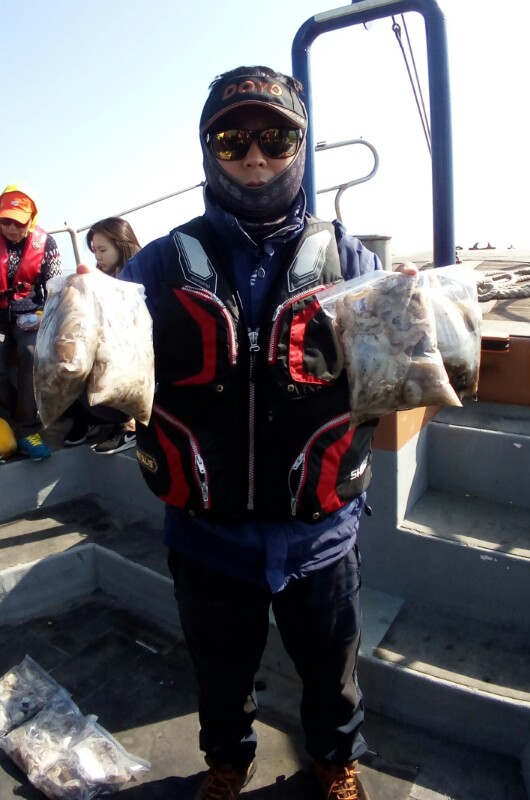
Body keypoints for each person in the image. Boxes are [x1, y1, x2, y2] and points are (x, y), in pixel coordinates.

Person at [121, 66, 414, 800]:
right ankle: (228, 761)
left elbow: (396, 381)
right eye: (232, 140)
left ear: (301, 147)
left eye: (277, 138)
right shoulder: (155, 264)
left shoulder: (354, 260)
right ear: (208, 151)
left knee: (331, 670)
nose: (255, 157)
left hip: (321, 533)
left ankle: (335, 760)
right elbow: (104, 376)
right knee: (219, 670)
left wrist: (412, 312)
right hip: (206, 534)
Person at [63, 217, 142, 452]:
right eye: (94, 250)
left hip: (135, 359)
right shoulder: (101, 277)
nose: (97, 256)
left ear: (122, 244)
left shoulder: (141, 272)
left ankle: (128, 425)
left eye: (102, 250)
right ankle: (88, 418)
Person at [0, 184, 62, 460]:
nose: (11, 228)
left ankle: (27, 429)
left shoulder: (47, 244)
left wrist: (41, 316)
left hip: (30, 315)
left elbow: (55, 289)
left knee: (31, 351)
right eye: (5, 221)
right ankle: (3, 424)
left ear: (32, 220)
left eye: (19, 222)